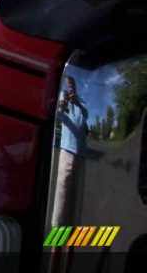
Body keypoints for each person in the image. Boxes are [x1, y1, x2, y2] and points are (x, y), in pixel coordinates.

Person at [50, 76, 89, 227]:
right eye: (68, 85)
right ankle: (55, 245)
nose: (70, 88)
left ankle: (71, 244)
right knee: (61, 197)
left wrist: (76, 99)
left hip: (82, 153)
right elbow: (59, 114)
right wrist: (62, 104)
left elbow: (85, 115)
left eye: (72, 85)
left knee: (77, 198)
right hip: (66, 151)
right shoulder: (62, 96)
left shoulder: (82, 103)